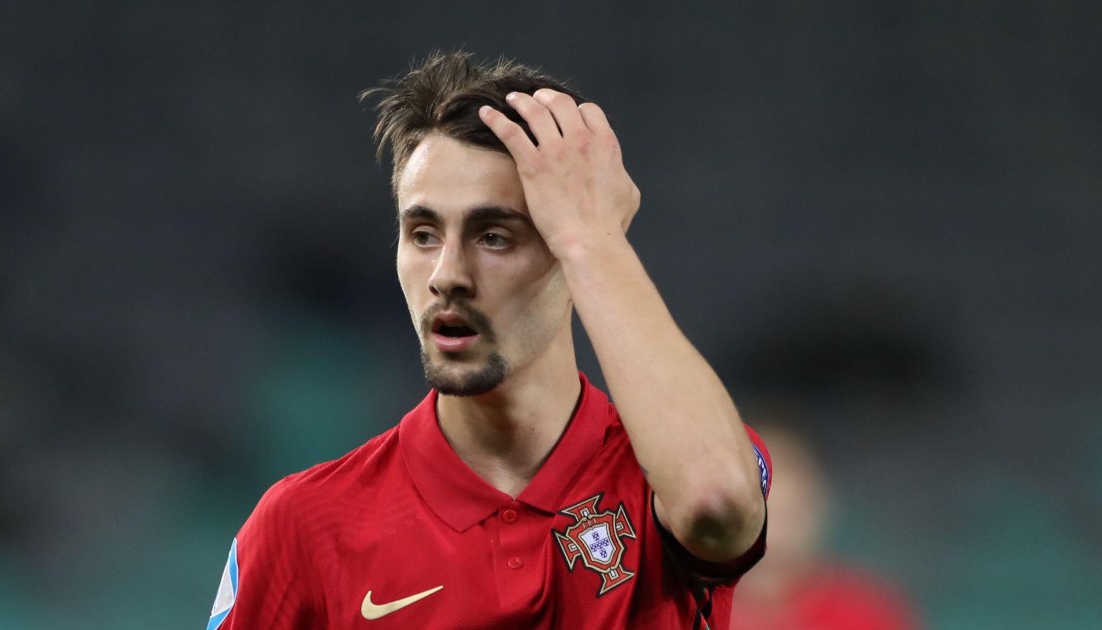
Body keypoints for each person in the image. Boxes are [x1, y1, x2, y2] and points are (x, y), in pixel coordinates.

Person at [206, 50, 771, 629]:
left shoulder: (659, 474)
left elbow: (717, 499)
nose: (446, 274)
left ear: (568, 250)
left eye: (494, 236)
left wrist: (594, 241)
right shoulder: (306, 524)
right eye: (422, 233)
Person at [730, 423, 920, 630]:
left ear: (822, 506)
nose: (774, 536)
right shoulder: (694, 607)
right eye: (763, 511)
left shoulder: (871, 610)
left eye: (789, 513)